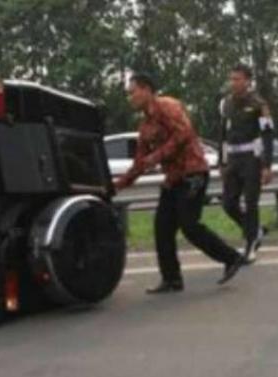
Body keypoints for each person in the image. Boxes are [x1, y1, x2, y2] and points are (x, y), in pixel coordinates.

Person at [115, 73, 246, 293]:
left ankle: (231, 258)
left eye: (132, 92)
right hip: (173, 179)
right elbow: (139, 163)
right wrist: (117, 185)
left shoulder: (169, 106)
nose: (130, 98)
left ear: (146, 89)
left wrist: (156, 156)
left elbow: (185, 133)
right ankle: (172, 279)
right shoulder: (145, 127)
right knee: (162, 229)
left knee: (189, 225)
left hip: (193, 173)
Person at [219, 64, 274, 263]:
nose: (233, 83)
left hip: (252, 158)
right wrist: (221, 162)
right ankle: (255, 230)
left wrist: (267, 165)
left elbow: (267, 134)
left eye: (238, 79)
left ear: (247, 81)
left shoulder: (259, 104)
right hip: (232, 160)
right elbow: (222, 135)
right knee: (228, 204)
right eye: (231, 79)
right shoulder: (225, 103)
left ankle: (250, 243)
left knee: (251, 203)